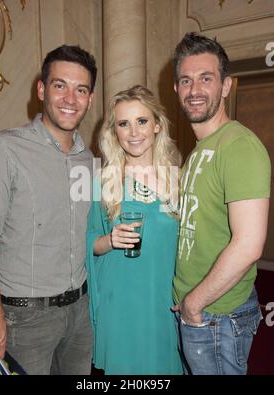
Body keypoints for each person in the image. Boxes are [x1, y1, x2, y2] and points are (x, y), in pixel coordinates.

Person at [0, 45, 97, 375]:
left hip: (81, 313)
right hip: (24, 320)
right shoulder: (4, 149)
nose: (70, 99)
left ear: (90, 98)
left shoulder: (90, 161)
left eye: (80, 89)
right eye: (60, 85)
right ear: (41, 89)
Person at [172, 32, 271, 375]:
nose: (194, 89)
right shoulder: (199, 152)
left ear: (226, 86)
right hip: (200, 313)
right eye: (186, 80)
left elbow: (249, 244)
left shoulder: (239, 146)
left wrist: (194, 304)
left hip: (217, 316)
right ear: (176, 90)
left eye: (206, 78)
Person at [86, 85, 183, 375]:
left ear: (157, 125)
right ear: (114, 132)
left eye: (141, 121)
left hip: (164, 305)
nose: (133, 132)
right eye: (123, 124)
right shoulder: (103, 182)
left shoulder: (178, 180)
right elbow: (88, 244)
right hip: (121, 308)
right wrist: (110, 239)